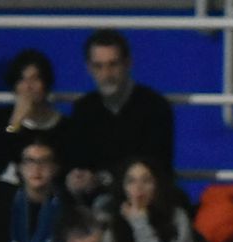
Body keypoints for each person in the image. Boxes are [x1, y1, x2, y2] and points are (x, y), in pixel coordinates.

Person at [61, 30, 175, 200]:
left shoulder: (155, 107)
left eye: (113, 64)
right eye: (98, 66)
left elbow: (156, 166)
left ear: (128, 63)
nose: (106, 74)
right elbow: (76, 159)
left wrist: (100, 179)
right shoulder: (83, 108)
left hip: (144, 199)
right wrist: (75, 178)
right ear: (89, 68)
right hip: (92, 199)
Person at [0, 50, 63, 185]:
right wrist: (15, 124)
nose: (28, 86)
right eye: (22, 80)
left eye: (35, 79)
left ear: (45, 84)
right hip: (6, 195)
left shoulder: (62, 125)